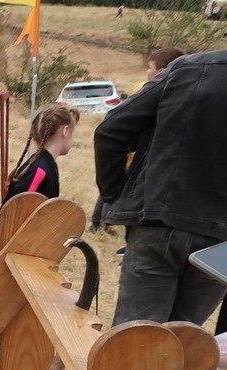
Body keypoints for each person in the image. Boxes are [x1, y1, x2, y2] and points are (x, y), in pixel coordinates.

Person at [97, 49, 227, 325]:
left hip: (159, 224)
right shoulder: (189, 69)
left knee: (133, 343)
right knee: (180, 347)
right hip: (219, 245)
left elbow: (111, 130)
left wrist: (116, 195)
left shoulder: (189, 69)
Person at [90, 47, 184, 232]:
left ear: (162, 72)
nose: (147, 71)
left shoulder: (156, 100)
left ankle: (105, 221)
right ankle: (99, 222)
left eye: (150, 67)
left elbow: (110, 131)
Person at [0, 104, 79, 259]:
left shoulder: (46, 164)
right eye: (73, 133)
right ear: (65, 131)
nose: (74, 140)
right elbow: (18, 212)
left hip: (21, 249)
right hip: (6, 249)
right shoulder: (40, 170)